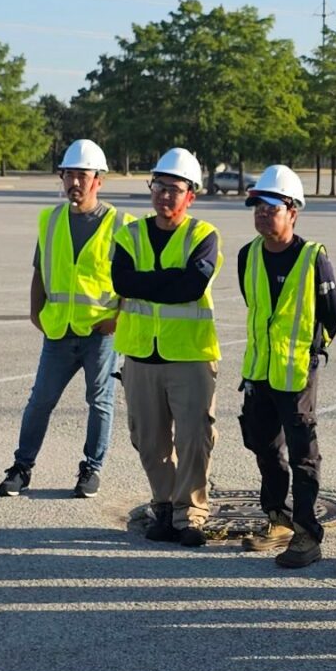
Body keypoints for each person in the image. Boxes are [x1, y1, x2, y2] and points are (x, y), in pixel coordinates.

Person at [233, 165, 336, 568]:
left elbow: (333, 314)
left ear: (292, 211)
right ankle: (276, 517)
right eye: (257, 207)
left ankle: (307, 532)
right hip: (259, 373)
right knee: (263, 446)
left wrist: (313, 353)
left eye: (271, 207)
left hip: (297, 375)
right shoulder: (248, 255)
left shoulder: (313, 257)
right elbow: (255, 307)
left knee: (302, 454)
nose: (263, 214)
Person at [1, 139, 124, 499]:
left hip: (100, 331)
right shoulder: (50, 219)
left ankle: (91, 468)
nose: (74, 182)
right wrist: (34, 310)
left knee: (100, 401)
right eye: (69, 175)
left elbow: (130, 278)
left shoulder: (119, 223)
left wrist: (118, 317)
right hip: (58, 330)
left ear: (98, 180)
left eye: (82, 176)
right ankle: (22, 467)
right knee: (40, 400)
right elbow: (40, 270)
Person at [115, 148, 222, 545]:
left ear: (190, 195)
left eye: (174, 189)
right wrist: (168, 280)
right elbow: (122, 283)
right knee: (149, 439)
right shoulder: (129, 235)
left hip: (190, 355)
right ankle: (162, 505)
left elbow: (192, 285)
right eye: (158, 187)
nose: (164, 196)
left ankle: (189, 512)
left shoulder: (204, 235)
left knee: (194, 437)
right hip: (141, 354)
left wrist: (150, 281)